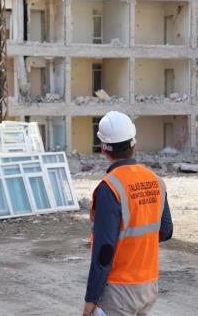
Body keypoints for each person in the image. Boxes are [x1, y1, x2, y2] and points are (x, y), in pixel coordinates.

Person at [82, 111, 173, 316]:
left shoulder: (110, 187)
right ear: (134, 144)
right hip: (148, 286)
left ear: (104, 148)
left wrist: (91, 299)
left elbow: (104, 251)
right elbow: (165, 230)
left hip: (118, 290)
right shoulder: (155, 181)